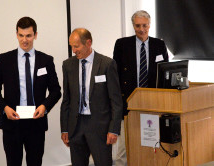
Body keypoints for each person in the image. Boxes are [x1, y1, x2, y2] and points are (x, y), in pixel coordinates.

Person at [0, 17, 61, 166]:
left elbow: (56, 91)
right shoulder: (4, 60)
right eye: (21, 35)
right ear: (16, 34)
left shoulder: (46, 60)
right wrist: (5, 109)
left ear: (35, 35)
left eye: (28, 35)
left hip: (36, 123)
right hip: (12, 122)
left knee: (35, 163)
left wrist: (44, 106)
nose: (24, 40)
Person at [113, 10, 169, 165]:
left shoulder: (159, 44)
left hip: (152, 103)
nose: (141, 29)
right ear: (133, 26)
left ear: (149, 25)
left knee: (151, 144)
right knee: (123, 148)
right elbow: (115, 74)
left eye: (144, 25)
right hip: (129, 103)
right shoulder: (122, 44)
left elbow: (166, 72)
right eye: (138, 25)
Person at [60, 28, 123, 166]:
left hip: (99, 128)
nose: (74, 50)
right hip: (75, 127)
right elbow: (66, 100)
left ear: (88, 43)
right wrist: (64, 128)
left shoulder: (106, 64)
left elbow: (116, 100)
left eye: (76, 46)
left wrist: (114, 129)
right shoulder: (68, 65)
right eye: (71, 46)